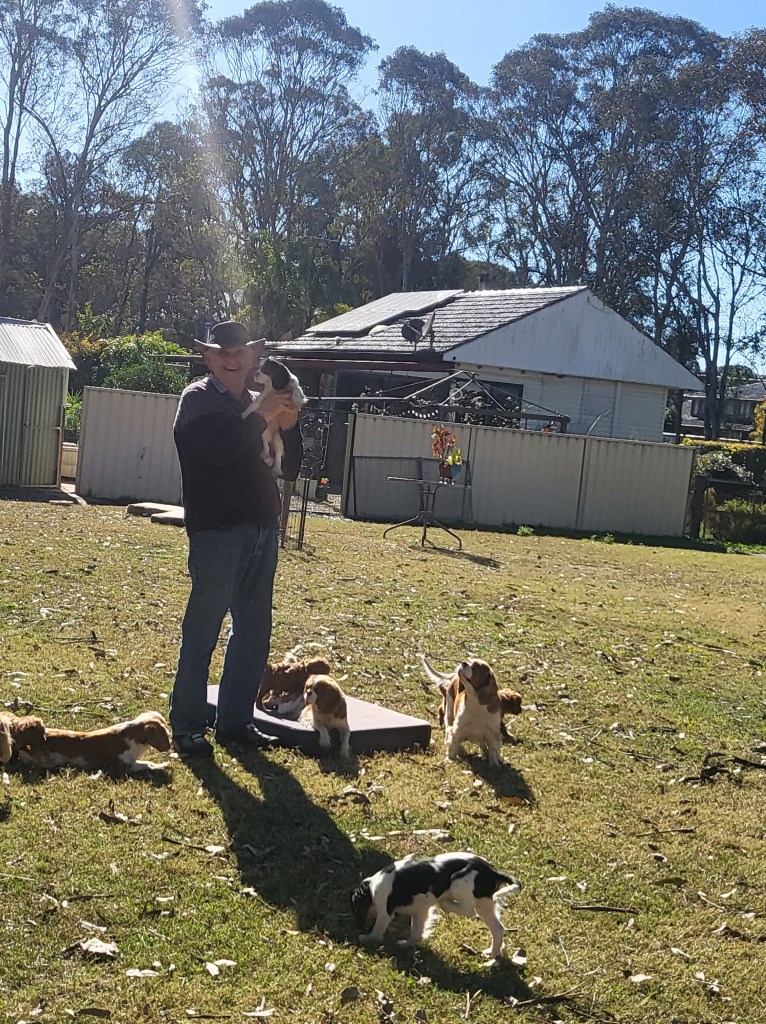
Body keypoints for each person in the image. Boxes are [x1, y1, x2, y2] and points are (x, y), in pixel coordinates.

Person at [170, 320, 303, 757]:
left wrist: (290, 422)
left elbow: (291, 466)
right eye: (222, 353)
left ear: (252, 358)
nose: (231, 359)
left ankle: (235, 722)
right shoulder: (197, 399)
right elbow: (222, 451)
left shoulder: (260, 401)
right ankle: (187, 725)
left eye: (239, 352)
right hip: (217, 531)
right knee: (203, 630)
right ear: (208, 359)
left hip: (264, 528)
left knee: (253, 632)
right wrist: (265, 414)